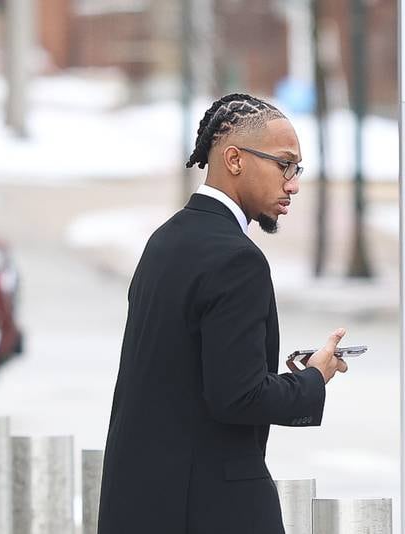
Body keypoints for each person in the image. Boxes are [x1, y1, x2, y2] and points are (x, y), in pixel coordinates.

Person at [97, 93, 349, 534]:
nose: (293, 183)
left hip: (139, 501)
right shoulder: (238, 260)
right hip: (211, 507)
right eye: (284, 164)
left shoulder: (165, 241)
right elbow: (237, 396)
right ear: (234, 159)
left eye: (297, 169)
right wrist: (313, 378)